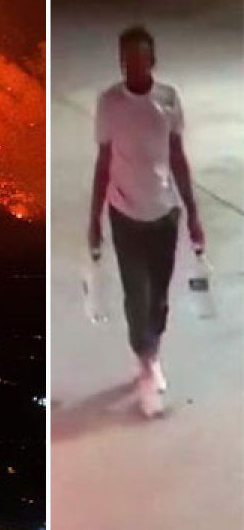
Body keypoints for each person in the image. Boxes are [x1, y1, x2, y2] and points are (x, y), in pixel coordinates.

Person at [88, 25, 205, 417]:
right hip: (125, 214)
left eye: (139, 58)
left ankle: (150, 351)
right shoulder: (109, 103)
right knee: (136, 296)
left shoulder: (168, 100)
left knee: (158, 298)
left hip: (165, 213)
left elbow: (178, 158)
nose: (132, 66)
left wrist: (192, 213)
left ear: (152, 61)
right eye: (126, 59)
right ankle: (147, 363)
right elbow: (103, 162)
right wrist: (95, 218)